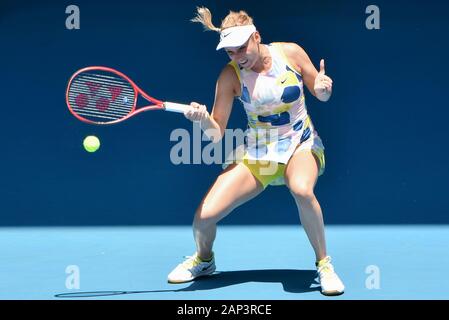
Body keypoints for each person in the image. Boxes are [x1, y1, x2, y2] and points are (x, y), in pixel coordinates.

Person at [167, 7, 345, 296]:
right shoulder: (230, 76)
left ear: (256, 37)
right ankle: (204, 260)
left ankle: (324, 264)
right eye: (230, 52)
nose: (238, 57)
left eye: (242, 48)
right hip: (258, 153)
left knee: (301, 189)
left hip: (300, 143)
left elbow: (320, 93)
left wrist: (324, 88)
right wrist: (202, 120)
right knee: (203, 218)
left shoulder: (291, 53)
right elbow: (216, 133)